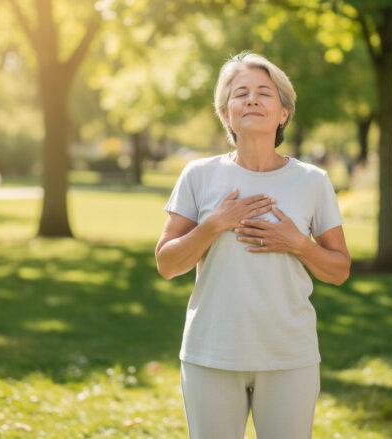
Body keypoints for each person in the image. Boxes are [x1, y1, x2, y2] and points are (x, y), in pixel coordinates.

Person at [155, 52, 351, 439]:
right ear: (226, 113)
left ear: (283, 113)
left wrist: (299, 244)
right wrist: (214, 224)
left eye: (265, 92)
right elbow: (167, 264)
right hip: (211, 352)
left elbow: (339, 269)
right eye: (240, 93)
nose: (252, 99)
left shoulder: (312, 181)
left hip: (288, 355)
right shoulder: (199, 175)